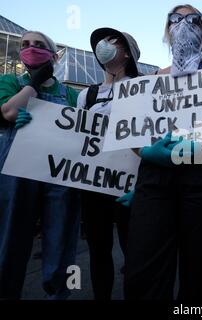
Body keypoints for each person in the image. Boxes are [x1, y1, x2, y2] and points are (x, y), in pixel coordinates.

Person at [123, 4, 202, 301]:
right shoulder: (150, 80)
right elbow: (131, 130)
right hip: (157, 180)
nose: (183, 24)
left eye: (193, 19)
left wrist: (199, 148)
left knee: (199, 272)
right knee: (144, 269)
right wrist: (147, 153)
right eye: (176, 19)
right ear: (167, 31)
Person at [0, 31, 80, 300]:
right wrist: (33, 83)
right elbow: (9, 111)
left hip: (58, 174)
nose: (30, 49)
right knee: (10, 237)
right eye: (24, 45)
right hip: (17, 171)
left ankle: (57, 295)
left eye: (38, 45)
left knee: (60, 237)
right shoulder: (9, 81)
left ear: (53, 55)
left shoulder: (69, 93)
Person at [76, 28, 142, 300]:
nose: (104, 46)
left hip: (131, 184)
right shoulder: (87, 96)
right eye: (102, 42)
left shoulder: (141, 90)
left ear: (127, 53)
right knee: (98, 247)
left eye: (112, 42)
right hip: (94, 184)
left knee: (134, 248)